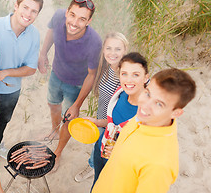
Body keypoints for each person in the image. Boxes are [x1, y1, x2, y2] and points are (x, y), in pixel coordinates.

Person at [92, 68, 196, 193]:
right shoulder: (144, 117)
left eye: (159, 104)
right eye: (147, 94)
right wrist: (118, 152)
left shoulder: (159, 165)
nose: (145, 105)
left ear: (176, 113)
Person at [38, 0, 102, 169]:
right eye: (72, 15)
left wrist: (77, 105)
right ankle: (54, 130)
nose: (74, 22)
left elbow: (91, 75)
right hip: (56, 73)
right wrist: (43, 53)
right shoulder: (58, 16)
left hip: (76, 84)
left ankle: (57, 153)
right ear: (67, 12)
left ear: (88, 21)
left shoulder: (94, 42)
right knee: (52, 104)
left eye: (82, 19)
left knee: (68, 118)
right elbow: (51, 32)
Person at [0, 0, 43, 155]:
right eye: (25, 7)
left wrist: (6, 72)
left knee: (2, 121)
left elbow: (31, 68)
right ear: (16, 5)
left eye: (34, 11)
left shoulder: (34, 35)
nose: (28, 14)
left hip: (11, 90)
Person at [74, 32, 128, 182]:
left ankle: (97, 170)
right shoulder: (106, 67)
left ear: (125, 50)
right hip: (101, 116)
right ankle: (93, 166)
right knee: (98, 145)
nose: (112, 53)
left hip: (113, 124)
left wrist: (100, 122)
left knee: (106, 151)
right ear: (103, 50)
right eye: (109, 48)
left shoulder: (125, 76)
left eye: (118, 49)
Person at [91, 52, 149, 187]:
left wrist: (120, 152)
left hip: (121, 163)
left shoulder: (148, 113)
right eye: (124, 74)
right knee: (97, 182)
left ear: (145, 78)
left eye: (136, 75)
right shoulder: (120, 93)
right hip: (102, 147)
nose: (129, 80)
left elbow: (147, 152)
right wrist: (97, 122)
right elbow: (114, 123)